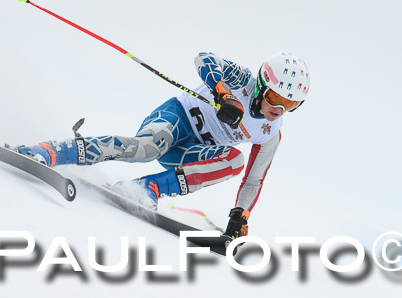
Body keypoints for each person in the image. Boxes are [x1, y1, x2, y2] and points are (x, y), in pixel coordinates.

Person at [15, 52, 311, 238]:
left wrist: (240, 216)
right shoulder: (242, 79)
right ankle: (49, 151)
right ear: (261, 86)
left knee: (235, 162)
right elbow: (204, 59)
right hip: (176, 118)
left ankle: (148, 189)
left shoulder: (271, 132)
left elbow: (254, 179)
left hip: (191, 151)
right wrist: (222, 93)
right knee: (147, 148)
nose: (280, 109)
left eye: (291, 104)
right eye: (276, 98)